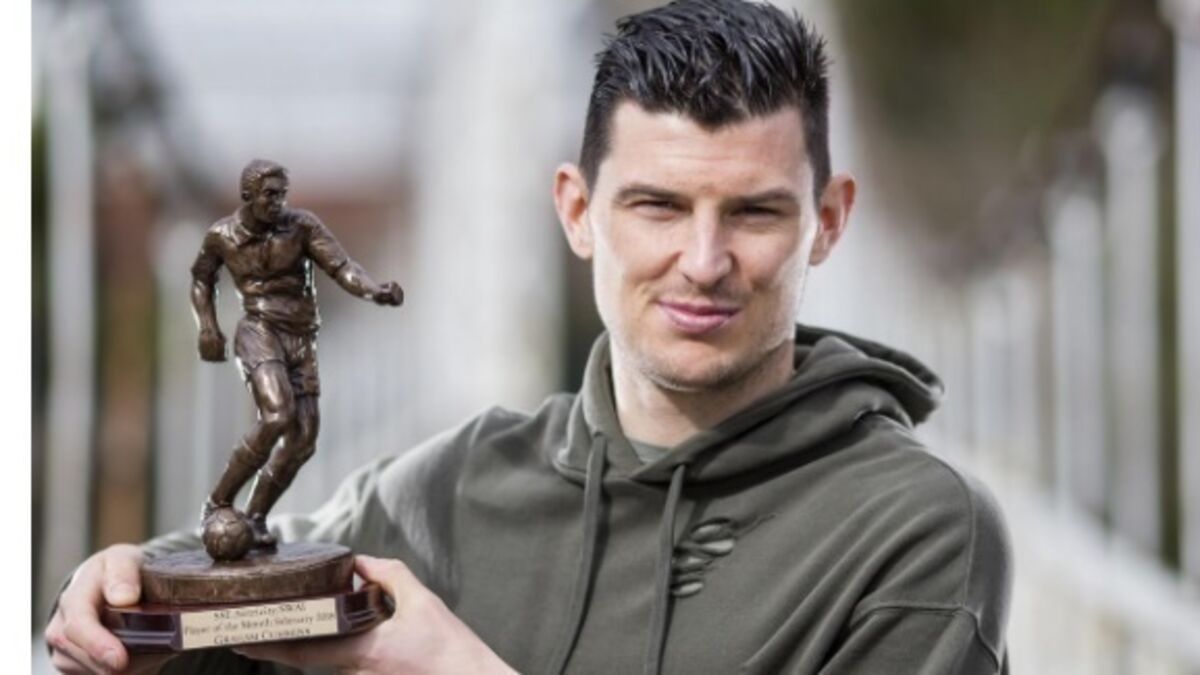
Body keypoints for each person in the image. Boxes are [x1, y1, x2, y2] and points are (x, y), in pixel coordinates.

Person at [45, 1, 1012, 673]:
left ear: (829, 221)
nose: (704, 261)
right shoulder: (450, 486)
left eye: (754, 212)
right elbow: (236, 569)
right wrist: (111, 592)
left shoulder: (917, 533)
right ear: (578, 211)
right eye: (657, 205)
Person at [190, 159, 403, 547]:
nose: (278, 203)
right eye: (270, 195)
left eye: (282, 195)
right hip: (259, 330)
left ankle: (256, 516)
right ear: (248, 196)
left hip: (300, 336)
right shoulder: (223, 236)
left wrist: (374, 290)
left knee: (304, 438)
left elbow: (342, 266)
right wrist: (208, 326)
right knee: (278, 415)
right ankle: (218, 500)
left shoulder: (301, 226)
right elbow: (202, 279)